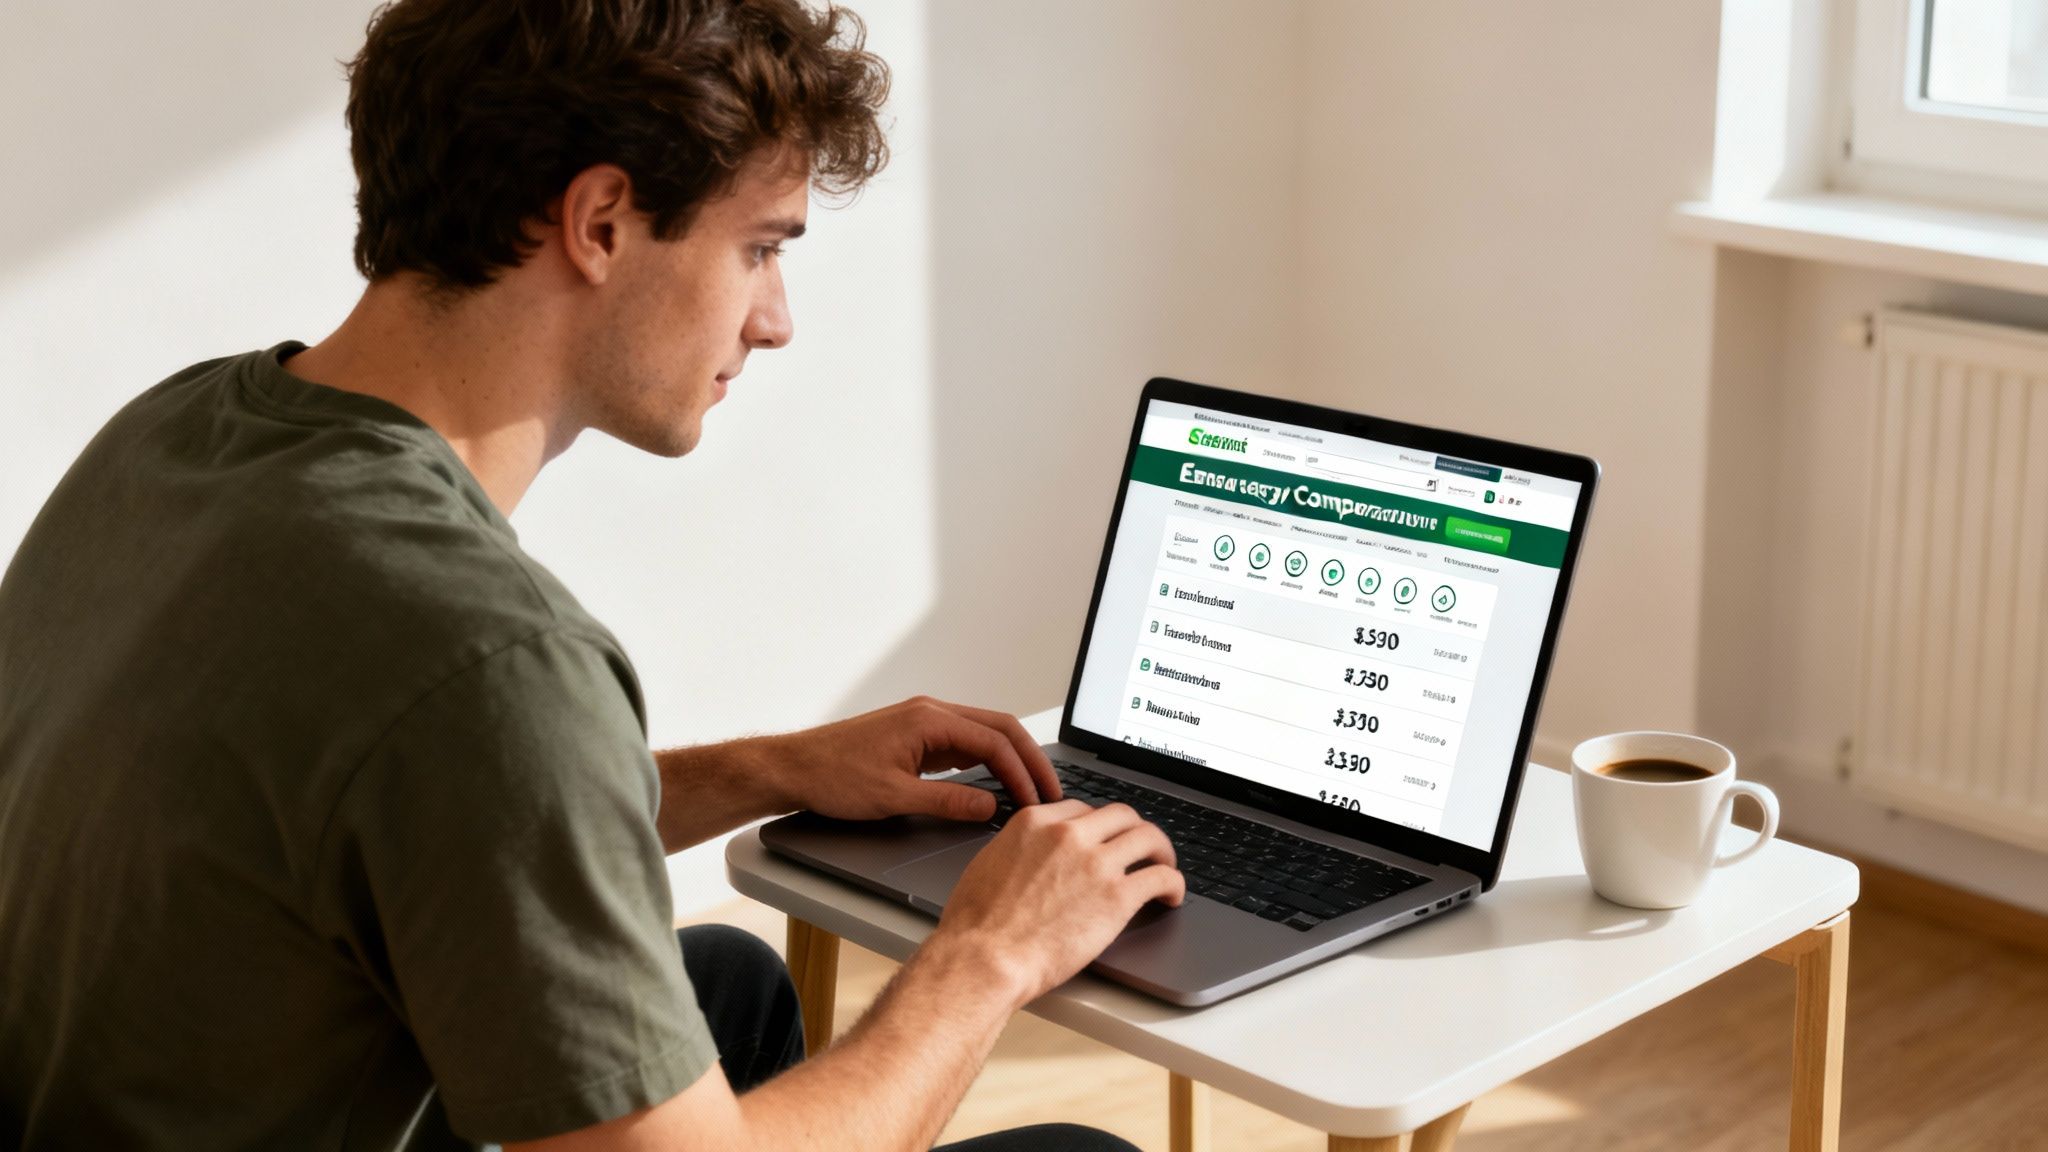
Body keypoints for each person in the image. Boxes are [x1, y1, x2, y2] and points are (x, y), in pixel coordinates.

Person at [0, 1, 1187, 1149]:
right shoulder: (484, 657)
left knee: (725, 983)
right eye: (760, 248)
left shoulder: (175, 435)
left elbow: (413, 812)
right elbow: (477, 738)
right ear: (602, 221)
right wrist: (992, 955)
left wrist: (771, 770)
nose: (774, 319)